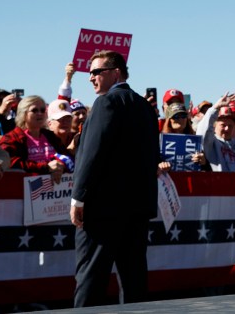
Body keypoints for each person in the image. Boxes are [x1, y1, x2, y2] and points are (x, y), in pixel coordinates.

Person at [70, 50, 160, 307]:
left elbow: (92, 155)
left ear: (116, 72)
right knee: (134, 281)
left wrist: (78, 197)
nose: (91, 78)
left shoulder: (106, 102)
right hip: (137, 210)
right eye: (90, 73)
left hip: (103, 211)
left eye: (97, 71)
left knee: (91, 277)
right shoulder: (145, 107)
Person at [0, 95, 70, 184]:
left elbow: (66, 156)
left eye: (43, 110)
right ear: (23, 113)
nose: (40, 113)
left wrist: (61, 165)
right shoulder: (11, 138)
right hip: (24, 190)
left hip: (53, 192)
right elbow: (11, 162)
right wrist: (46, 167)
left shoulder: (51, 136)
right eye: (34, 110)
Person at [195, 93, 235, 173]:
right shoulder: (211, 143)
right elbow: (202, 132)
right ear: (215, 125)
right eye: (223, 125)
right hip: (218, 183)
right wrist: (215, 107)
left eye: (230, 125)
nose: (227, 129)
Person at [158, 102, 207, 173]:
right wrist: (159, 166)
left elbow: (207, 170)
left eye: (183, 115)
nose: (180, 119)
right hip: (168, 182)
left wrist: (203, 162)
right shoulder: (159, 141)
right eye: (176, 116)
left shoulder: (196, 141)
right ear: (169, 120)